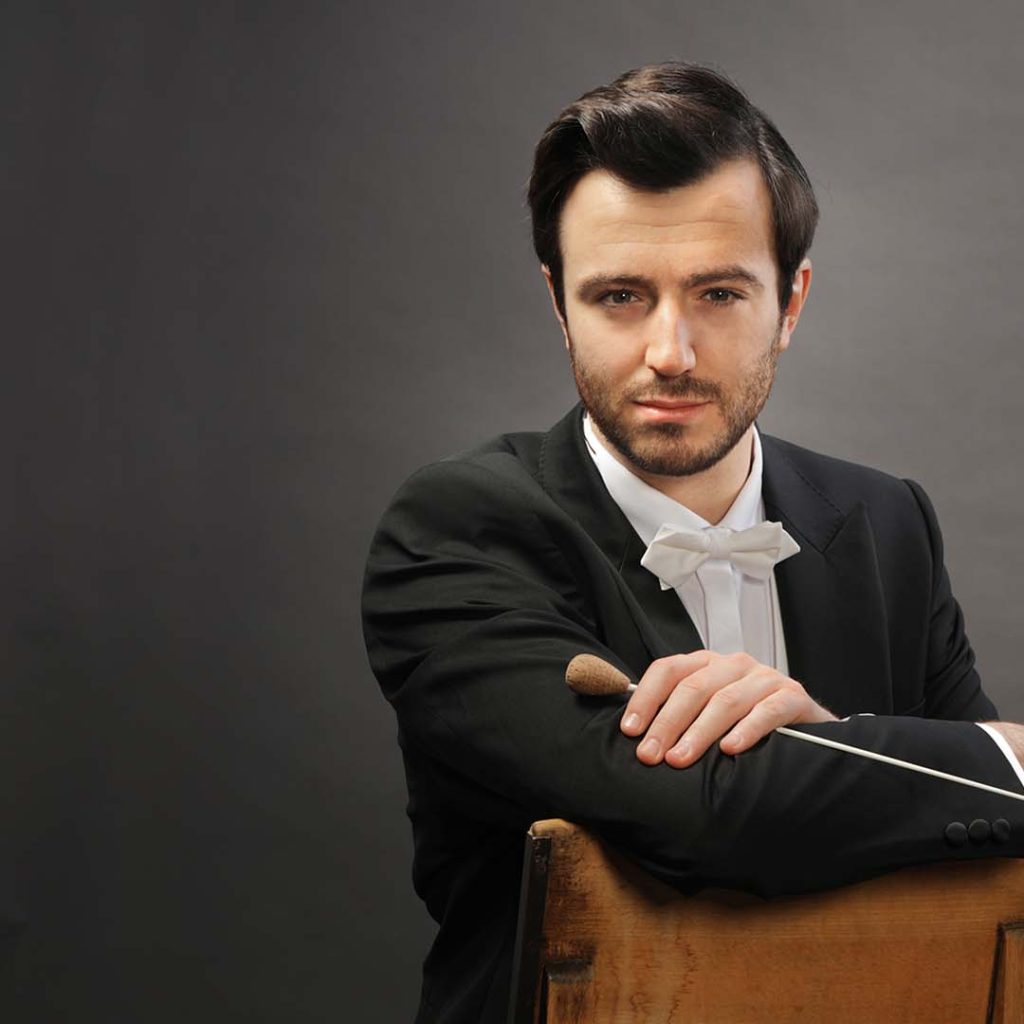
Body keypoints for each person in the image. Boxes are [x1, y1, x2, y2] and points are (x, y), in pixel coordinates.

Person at [361, 62, 1024, 1024]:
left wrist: (829, 751)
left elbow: (993, 846)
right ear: (559, 305)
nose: (669, 353)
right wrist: (946, 756)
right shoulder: (455, 531)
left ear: (790, 302)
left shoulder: (888, 522)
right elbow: (703, 817)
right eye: (619, 296)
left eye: (718, 293)